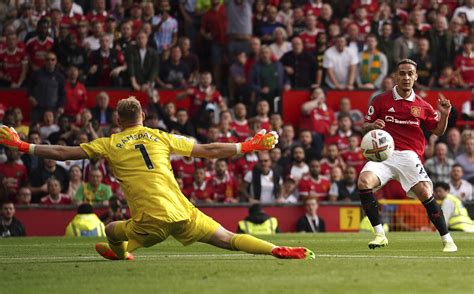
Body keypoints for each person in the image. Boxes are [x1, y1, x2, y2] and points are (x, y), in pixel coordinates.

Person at [0, 97, 314, 260]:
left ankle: (122, 252)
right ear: (143, 119)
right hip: (182, 212)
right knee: (228, 239)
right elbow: (207, 149)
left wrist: (23, 144)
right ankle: (276, 250)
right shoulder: (159, 136)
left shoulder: (109, 143)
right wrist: (248, 145)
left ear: (118, 122)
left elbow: (63, 153)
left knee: (111, 229)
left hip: (150, 221)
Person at [358, 58, 457, 252]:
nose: (406, 77)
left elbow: (437, 131)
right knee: (363, 182)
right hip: (383, 154)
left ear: (415, 77)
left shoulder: (423, 106)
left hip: (409, 156)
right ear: (396, 76)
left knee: (426, 193)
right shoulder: (380, 100)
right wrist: (371, 126)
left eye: (410, 73)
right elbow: (364, 126)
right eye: (402, 73)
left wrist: (444, 115)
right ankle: (380, 235)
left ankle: (448, 240)